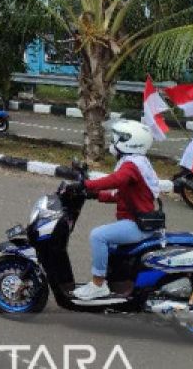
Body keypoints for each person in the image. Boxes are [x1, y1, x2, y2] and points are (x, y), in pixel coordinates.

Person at [70, 120, 161, 301]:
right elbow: (120, 194)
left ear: (130, 142)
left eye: (117, 138)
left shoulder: (131, 165)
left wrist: (85, 185)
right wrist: (95, 195)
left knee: (98, 236)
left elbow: (116, 180)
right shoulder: (137, 162)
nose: (113, 142)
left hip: (137, 225)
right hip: (139, 221)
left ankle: (98, 285)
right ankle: (115, 282)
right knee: (109, 245)